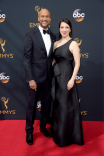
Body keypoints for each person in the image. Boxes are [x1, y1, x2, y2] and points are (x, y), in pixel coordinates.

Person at [23, 8, 56, 145]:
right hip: (35, 79)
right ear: (38, 18)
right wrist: (30, 79)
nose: (44, 18)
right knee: (32, 106)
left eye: (47, 16)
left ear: (50, 19)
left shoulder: (53, 35)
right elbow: (26, 59)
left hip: (48, 78)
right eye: (42, 16)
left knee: (47, 105)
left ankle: (43, 127)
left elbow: (51, 57)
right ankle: (29, 132)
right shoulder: (30, 35)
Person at [52, 18, 84, 147]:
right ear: (59, 29)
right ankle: (58, 134)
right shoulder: (55, 43)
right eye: (62, 27)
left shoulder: (73, 44)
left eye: (66, 27)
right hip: (56, 77)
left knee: (65, 106)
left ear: (70, 29)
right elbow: (53, 60)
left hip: (67, 77)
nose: (64, 30)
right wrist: (54, 72)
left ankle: (67, 137)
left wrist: (72, 79)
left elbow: (77, 64)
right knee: (58, 106)